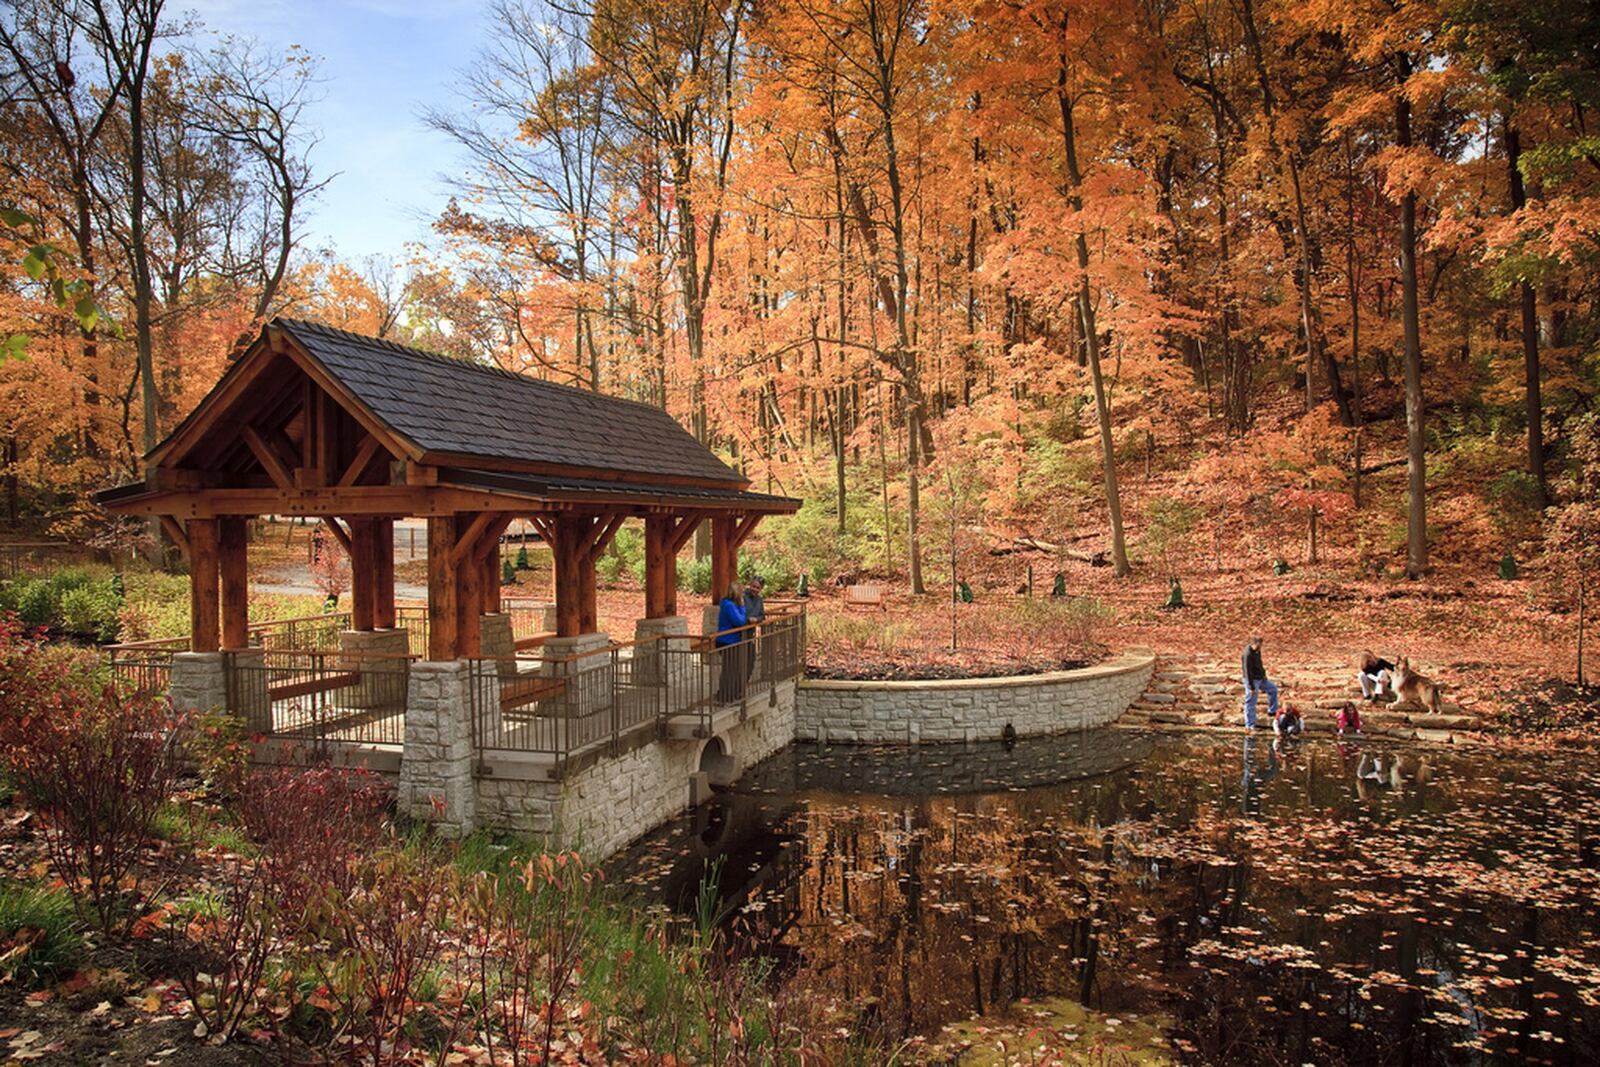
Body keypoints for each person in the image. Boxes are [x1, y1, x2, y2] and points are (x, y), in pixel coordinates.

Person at [714, 580, 749, 703]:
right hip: (728, 641)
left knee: (733, 668)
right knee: (729, 669)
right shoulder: (729, 605)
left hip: (731, 640)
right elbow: (739, 621)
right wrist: (743, 607)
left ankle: (730, 693)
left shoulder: (728, 604)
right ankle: (724, 695)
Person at [1240, 635, 1280, 729]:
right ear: (1254, 643)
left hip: (1260, 678)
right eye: (1259, 644)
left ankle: (1272, 710)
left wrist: (1263, 674)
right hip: (1251, 680)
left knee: (1273, 689)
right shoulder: (1247, 654)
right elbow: (1247, 671)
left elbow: (1259, 663)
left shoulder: (1257, 651)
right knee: (1251, 701)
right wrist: (1251, 687)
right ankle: (1250, 725)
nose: (1260, 646)